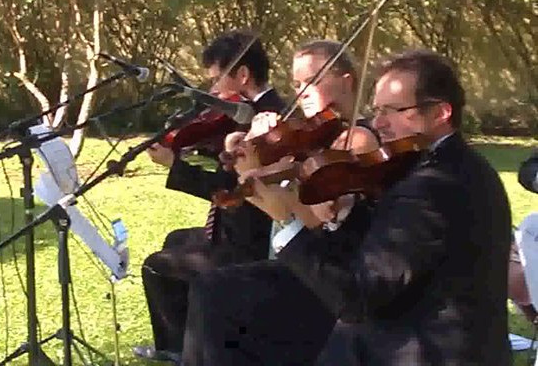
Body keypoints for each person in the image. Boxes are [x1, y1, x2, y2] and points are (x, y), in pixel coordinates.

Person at [246, 50, 511, 365]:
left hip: (425, 351)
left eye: (393, 110)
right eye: (377, 110)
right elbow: (395, 255)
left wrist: (286, 221)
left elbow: (356, 299)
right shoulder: (465, 165)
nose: (378, 123)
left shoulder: (430, 186)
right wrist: (346, 213)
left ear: (441, 113)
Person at [181, 39, 379, 366]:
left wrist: (261, 173)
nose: (302, 93)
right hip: (303, 267)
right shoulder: (310, 138)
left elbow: (318, 219)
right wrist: (250, 163)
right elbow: (281, 205)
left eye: (313, 81)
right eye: (298, 84)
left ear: (348, 82)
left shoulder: (358, 140)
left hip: (333, 281)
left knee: (217, 294)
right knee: (209, 288)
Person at [133, 29, 285, 363]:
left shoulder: (267, 122)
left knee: (155, 266)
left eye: (216, 81)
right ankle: (193, 337)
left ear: (243, 75)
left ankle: (180, 350)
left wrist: (175, 165)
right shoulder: (244, 114)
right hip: (236, 227)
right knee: (175, 239)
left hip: (249, 242)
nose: (212, 92)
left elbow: (229, 192)